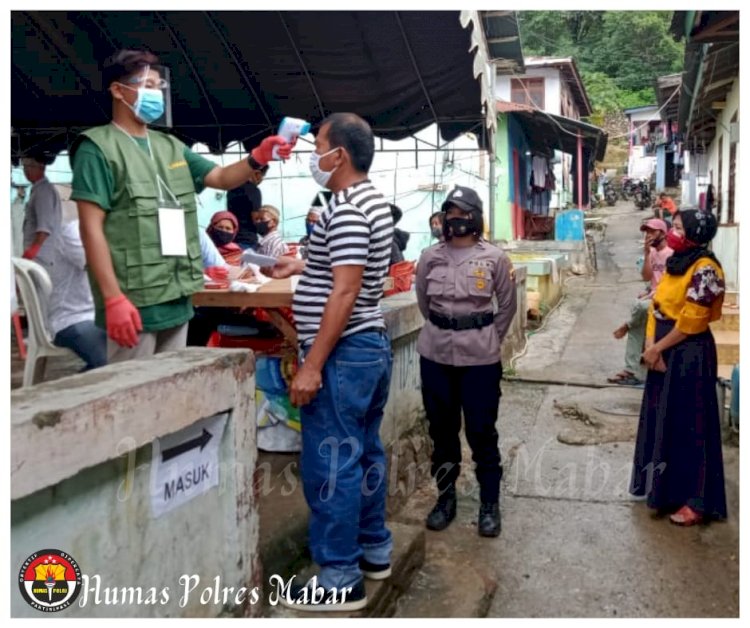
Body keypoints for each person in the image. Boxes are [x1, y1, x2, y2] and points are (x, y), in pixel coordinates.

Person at [70, 49, 293, 363]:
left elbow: (220, 176)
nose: (155, 93)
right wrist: (112, 299)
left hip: (176, 294)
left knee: (170, 389)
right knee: (133, 394)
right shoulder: (97, 149)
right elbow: (90, 229)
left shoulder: (170, 146)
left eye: (158, 86)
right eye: (145, 84)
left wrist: (258, 156)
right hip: (135, 300)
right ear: (118, 90)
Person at [270, 112, 394, 611]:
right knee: (363, 452)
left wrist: (312, 364)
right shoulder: (371, 202)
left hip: (343, 353)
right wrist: (305, 262)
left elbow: (345, 290)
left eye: (317, 145)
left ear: (338, 155)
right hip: (367, 348)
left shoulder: (344, 209)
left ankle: (340, 576)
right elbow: (348, 268)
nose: (311, 155)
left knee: (332, 463)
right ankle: (372, 549)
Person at [415, 185, 517, 538]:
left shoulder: (495, 258)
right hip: (436, 355)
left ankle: (489, 503)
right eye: (449, 213)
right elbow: (424, 303)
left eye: (461, 213)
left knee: (481, 432)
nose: (454, 219)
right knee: (441, 433)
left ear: (475, 217)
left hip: (480, 359)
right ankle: (446, 499)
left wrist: (487, 337)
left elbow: (507, 306)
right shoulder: (429, 257)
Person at [631, 209, 727, 527]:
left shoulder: (705, 270)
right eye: (672, 226)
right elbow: (658, 305)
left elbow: (691, 322)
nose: (671, 232)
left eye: (677, 227)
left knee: (691, 424)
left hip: (688, 353)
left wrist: (658, 347)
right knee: (664, 420)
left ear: (694, 234)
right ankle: (665, 489)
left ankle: (696, 500)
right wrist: (649, 346)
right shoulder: (676, 261)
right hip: (662, 349)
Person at [608, 218, 672, 386]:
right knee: (637, 326)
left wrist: (652, 294)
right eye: (647, 232)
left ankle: (627, 325)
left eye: (652, 232)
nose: (649, 235)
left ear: (663, 233)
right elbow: (646, 277)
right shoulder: (651, 253)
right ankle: (630, 370)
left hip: (664, 299)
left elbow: (669, 284)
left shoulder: (671, 254)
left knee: (640, 307)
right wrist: (646, 253)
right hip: (651, 296)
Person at [46, 220, 107, 370]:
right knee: (116, 363)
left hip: (100, 314)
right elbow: (100, 265)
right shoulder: (72, 233)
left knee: (139, 349)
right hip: (73, 318)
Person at [20, 156, 63, 268]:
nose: (26, 171)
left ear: (41, 167)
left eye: (30, 166)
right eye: (25, 167)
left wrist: (32, 251)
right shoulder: (38, 190)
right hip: (37, 256)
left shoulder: (43, 192)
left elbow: (44, 228)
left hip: (40, 257)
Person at [226, 165, 268, 250]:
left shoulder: (231, 189)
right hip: (247, 240)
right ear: (257, 173)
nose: (261, 180)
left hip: (232, 238)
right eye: (262, 176)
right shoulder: (254, 191)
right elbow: (256, 218)